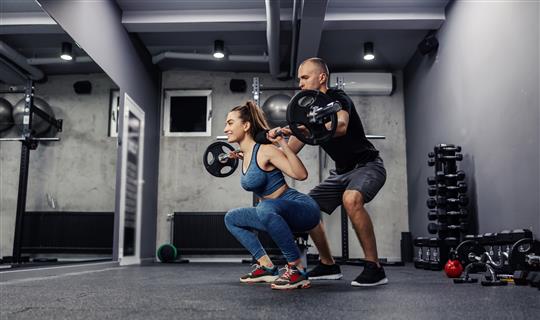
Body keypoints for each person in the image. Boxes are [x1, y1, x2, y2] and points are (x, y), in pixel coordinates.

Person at [268, 57, 388, 287]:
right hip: (341, 173)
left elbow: (340, 126)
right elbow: (290, 149)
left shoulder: (337, 98)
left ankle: (375, 268)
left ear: (321, 77)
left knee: (351, 199)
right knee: (307, 207)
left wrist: (307, 127)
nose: (300, 84)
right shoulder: (307, 113)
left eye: (305, 78)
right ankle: (328, 264)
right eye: (299, 79)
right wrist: (261, 151)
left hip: (368, 165)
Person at [223, 101, 320, 290]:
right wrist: (242, 157)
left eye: (230, 123)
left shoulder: (266, 150)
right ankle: (267, 267)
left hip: (302, 209)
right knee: (232, 218)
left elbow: (301, 175)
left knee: (265, 207)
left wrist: (282, 143)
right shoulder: (247, 154)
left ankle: (297, 270)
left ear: (246, 126)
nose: (225, 128)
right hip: (271, 212)